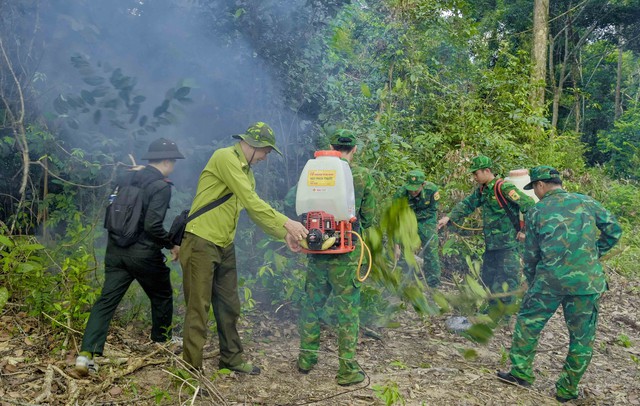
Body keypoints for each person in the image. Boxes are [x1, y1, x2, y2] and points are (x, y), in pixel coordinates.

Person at [179, 122, 308, 375]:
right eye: (265, 152)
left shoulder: (246, 172)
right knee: (198, 309)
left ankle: (231, 359)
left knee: (229, 305)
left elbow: (254, 211)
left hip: (224, 244)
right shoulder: (225, 157)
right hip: (201, 241)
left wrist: (284, 234)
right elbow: (251, 201)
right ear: (253, 145)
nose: (265, 157)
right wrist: (288, 222)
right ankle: (190, 372)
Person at [497, 166, 622, 403]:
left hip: (549, 281)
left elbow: (531, 254)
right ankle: (566, 390)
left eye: (534, 187)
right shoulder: (587, 202)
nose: (535, 192)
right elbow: (614, 231)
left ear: (541, 185)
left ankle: (521, 373)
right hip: (586, 283)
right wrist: (593, 254)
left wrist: (532, 279)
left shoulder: (536, 211)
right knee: (582, 339)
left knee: (528, 324)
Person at [75, 138, 184, 376]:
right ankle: (162, 342)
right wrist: (171, 244)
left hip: (115, 250)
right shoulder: (161, 186)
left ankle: (85, 357)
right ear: (167, 161)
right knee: (162, 293)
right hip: (143, 254)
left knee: (106, 302)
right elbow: (153, 226)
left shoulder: (126, 177)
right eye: (173, 161)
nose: (174, 165)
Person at [297, 129, 376, 386]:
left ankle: (306, 360)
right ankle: (347, 371)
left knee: (312, 306)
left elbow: (295, 202)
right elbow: (369, 216)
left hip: (317, 250)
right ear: (354, 149)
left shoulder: (314, 171)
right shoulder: (361, 175)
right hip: (347, 253)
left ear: (331, 146)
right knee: (347, 312)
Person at [437, 155, 535, 309]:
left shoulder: (503, 188)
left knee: (508, 280)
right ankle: (492, 310)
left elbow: (529, 205)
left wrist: (524, 230)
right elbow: (467, 204)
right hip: (492, 245)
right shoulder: (483, 190)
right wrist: (449, 217)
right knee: (489, 279)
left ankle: (505, 315)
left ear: (487, 171)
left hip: (508, 245)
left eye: (476, 173)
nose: (474, 177)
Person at [393, 169, 441, 288]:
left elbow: (432, 211)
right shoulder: (400, 194)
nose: (413, 191)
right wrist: (396, 244)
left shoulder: (432, 190)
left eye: (416, 188)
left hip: (426, 220)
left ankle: (433, 284)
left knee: (431, 250)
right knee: (402, 250)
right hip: (406, 221)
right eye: (410, 187)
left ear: (423, 185)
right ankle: (405, 281)